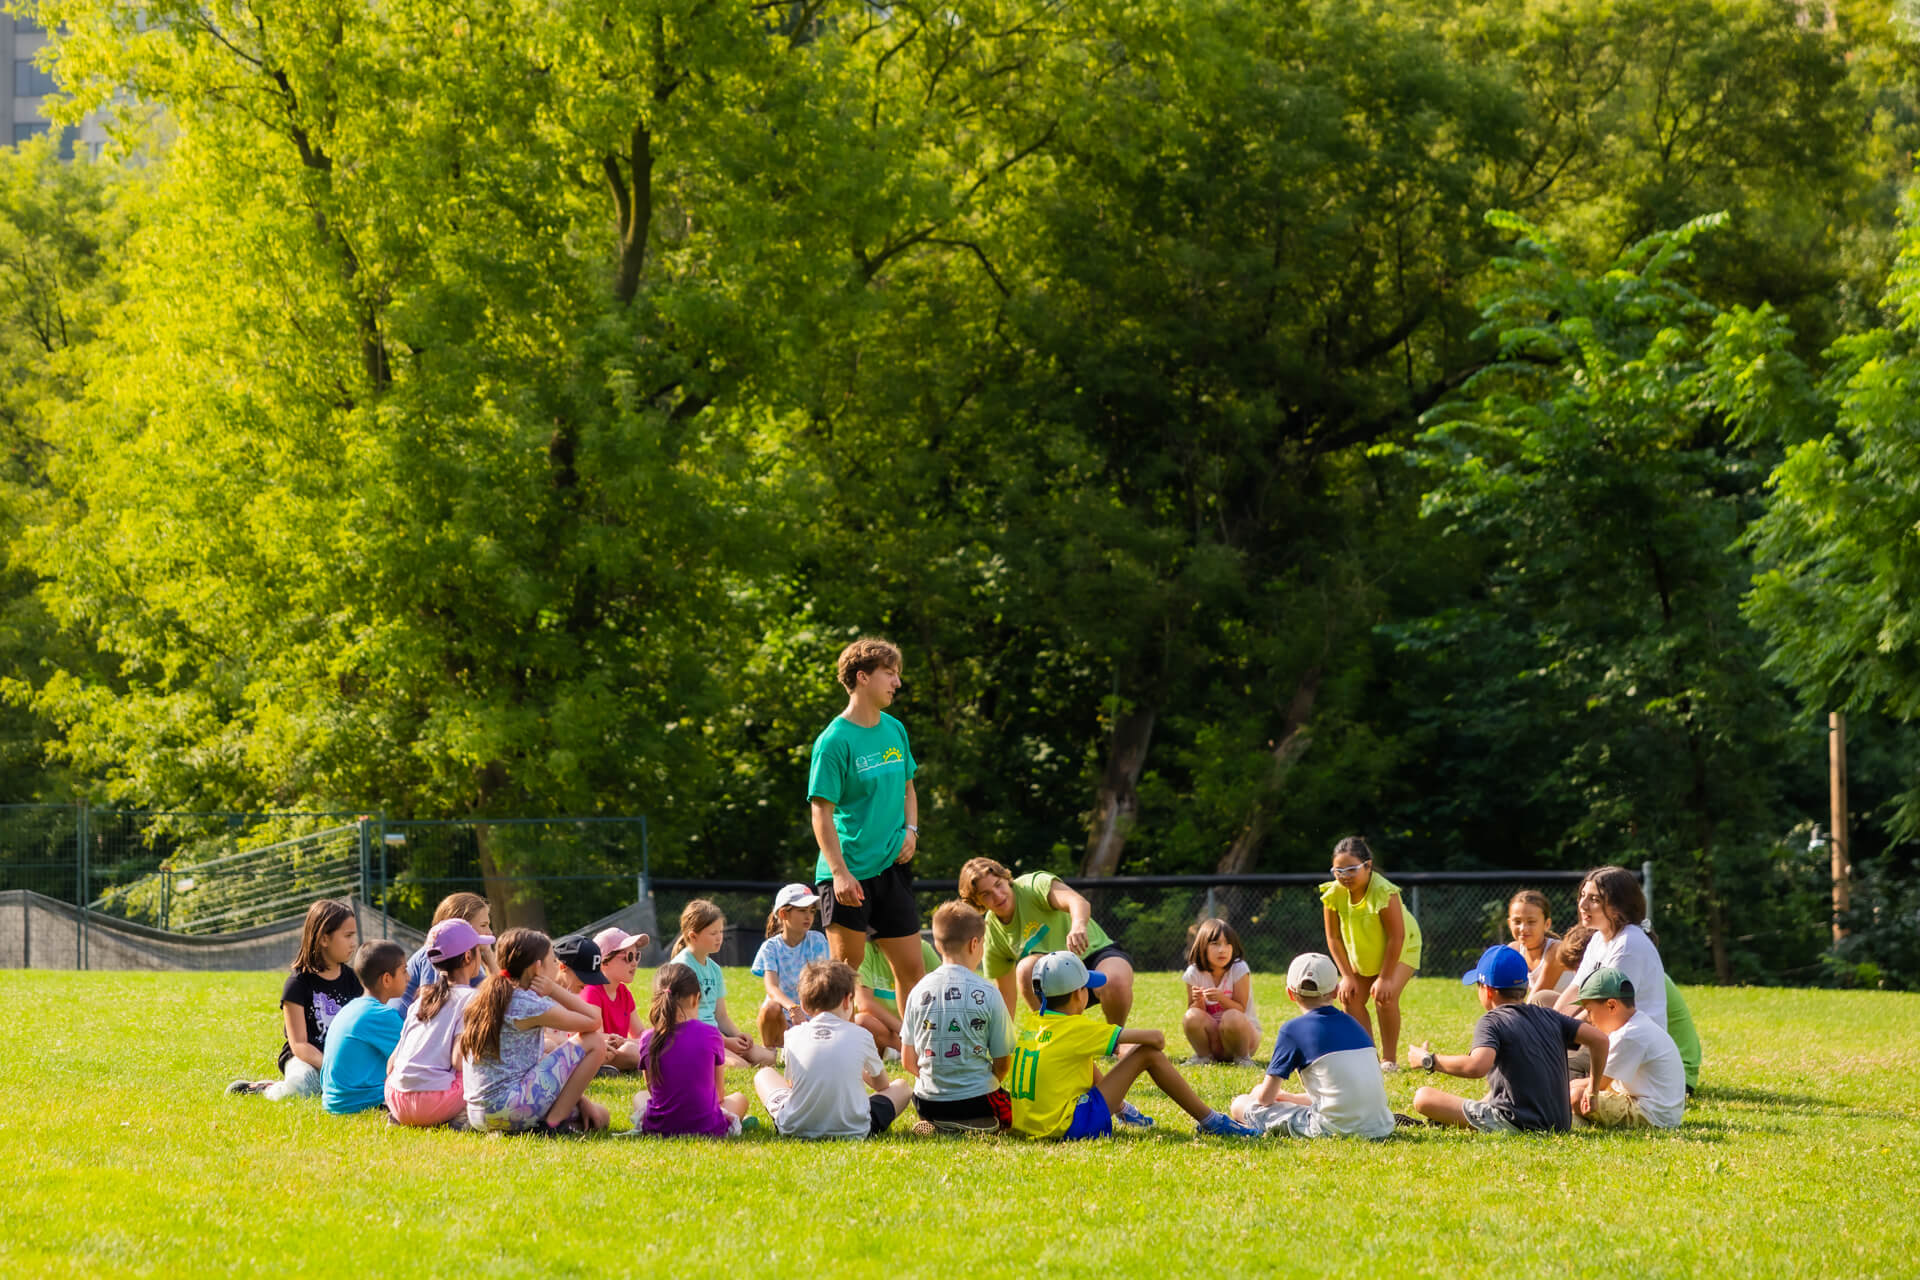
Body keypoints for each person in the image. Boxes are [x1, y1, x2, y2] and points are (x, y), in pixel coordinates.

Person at [1007, 952, 1258, 1140]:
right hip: (1066, 1128)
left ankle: (1123, 1110)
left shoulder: (1034, 1021)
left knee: (1082, 1058)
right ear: (1077, 995)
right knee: (1148, 1054)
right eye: (1088, 989)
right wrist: (1123, 1050)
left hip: (1027, 1124)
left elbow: (1079, 1058)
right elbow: (1156, 1039)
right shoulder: (1078, 1029)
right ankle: (1212, 1121)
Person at [807, 637, 927, 1015]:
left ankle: (914, 1059)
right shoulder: (833, 741)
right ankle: (826, 1052)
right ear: (862, 677)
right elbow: (821, 813)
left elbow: (909, 787)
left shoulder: (895, 729)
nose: (897, 683)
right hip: (848, 875)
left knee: (913, 972)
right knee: (842, 976)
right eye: (889, 674)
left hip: (893, 867)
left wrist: (911, 831)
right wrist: (840, 875)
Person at [1408, 945, 1610, 1133]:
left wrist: (1428, 1060)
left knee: (1423, 1097)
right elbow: (1600, 1040)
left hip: (1515, 1122)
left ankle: (1459, 1120)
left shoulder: (1492, 1021)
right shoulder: (1549, 1015)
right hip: (1559, 1123)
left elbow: (1476, 1066)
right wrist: (1592, 1091)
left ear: (1487, 990)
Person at [458, 928, 610, 1134]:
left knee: (595, 1115)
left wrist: (579, 1099)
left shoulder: (483, 997)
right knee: (594, 1042)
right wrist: (553, 989)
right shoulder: (527, 1003)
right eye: (553, 961)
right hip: (508, 1109)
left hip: (478, 1114)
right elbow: (593, 1021)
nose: (557, 965)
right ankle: (553, 1125)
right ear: (537, 967)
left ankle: (554, 1119)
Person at [1228, 953, 1395, 1139]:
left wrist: (1261, 1094)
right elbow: (1337, 1093)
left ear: (1290, 993)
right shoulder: (1354, 1024)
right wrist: (1289, 1097)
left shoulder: (1292, 1030)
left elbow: (1265, 1098)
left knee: (1241, 1104)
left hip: (1332, 1128)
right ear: (1335, 991)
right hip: (1381, 1126)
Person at [960, 857, 1136, 1028]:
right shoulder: (992, 931)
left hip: (1094, 955)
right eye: (986, 894)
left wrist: (1078, 925)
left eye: (998, 885)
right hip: (1058, 984)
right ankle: (1056, 1037)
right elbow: (1006, 996)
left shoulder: (1033, 885)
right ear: (977, 901)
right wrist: (1001, 1047)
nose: (997, 896)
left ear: (1006, 879)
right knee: (1025, 969)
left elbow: (1077, 901)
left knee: (1116, 981)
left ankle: (1115, 1041)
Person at [753, 960, 914, 1140]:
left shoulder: (793, 1035)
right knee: (901, 1087)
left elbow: (792, 1085)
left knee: (764, 1074)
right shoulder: (861, 1035)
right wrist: (856, 1069)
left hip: (794, 1127)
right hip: (855, 1129)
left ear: (804, 1006)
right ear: (847, 1000)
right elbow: (882, 1086)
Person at [226, 899, 363, 1099]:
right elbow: (299, 1044)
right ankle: (266, 1088)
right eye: (347, 936)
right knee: (301, 1089)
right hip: (305, 1059)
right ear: (324, 938)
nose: (353, 943)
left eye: (354, 936)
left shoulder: (353, 981)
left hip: (340, 1061)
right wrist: (331, 1066)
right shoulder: (298, 984)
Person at [900, 901, 1015, 1134]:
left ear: (938, 946)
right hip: (977, 1100)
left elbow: (907, 1062)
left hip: (926, 1101)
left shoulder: (917, 991)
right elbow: (1003, 1063)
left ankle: (939, 1123)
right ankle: (976, 1123)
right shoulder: (989, 992)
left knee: (937, 1105)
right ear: (975, 944)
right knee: (1013, 1109)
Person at [1320, 836, 1423, 1071]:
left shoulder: (1384, 892)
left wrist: (1385, 977)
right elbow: (1333, 938)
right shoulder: (1333, 894)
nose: (1344, 875)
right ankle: (1368, 1057)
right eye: (1338, 870)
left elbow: (1397, 937)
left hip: (1402, 944)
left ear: (1367, 866)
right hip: (1364, 949)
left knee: (1384, 998)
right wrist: (1346, 976)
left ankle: (1389, 1061)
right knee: (1350, 998)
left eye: (1351, 869)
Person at [1559, 924, 1701, 1092]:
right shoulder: (1624, 990)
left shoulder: (1628, 1027)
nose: (1578, 975)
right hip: (1646, 1070)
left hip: (1672, 1079)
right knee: (1545, 1001)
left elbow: (1600, 1082)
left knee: (1568, 1068)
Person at [386, 918, 491, 1128]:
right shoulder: (471, 999)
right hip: (433, 1103)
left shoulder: (420, 1000)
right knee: (481, 1071)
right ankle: (459, 1119)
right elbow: (459, 1061)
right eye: (479, 949)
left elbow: (391, 1065)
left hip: (395, 1098)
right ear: (468, 956)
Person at [631, 963, 754, 1137]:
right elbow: (719, 1095)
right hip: (707, 1127)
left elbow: (652, 1091)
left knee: (640, 1096)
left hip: (658, 1127)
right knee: (740, 1098)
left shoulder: (647, 1038)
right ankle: (735, 1121)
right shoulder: (711, 1034)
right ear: (696, 998)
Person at [1553, 867, 1668, 1034]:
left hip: (1628, 1043)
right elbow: (1576, 989)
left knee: (1549, 1055)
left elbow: (1604, 1009)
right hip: (1602, 1028)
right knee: (1543, 1000)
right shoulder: (1598, 938)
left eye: (1594, 899)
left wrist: (1559, 1034)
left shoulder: (1629, 944)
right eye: (1583, 895)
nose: (1583, 905)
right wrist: (1549, 1024)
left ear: (1618, 907)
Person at [1569, 967, 1686, 1130]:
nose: (1588, 1019)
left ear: (1611, 1005)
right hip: (1661, 1113)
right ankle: (1576, 1121)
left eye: (1589, 1011)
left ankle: (1573, 1121)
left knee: (1575, 1096)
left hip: (1651, 1116)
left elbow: (1599, 1085)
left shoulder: (1629, 1035)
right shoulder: (1637, 1025)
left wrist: (1570, 1084)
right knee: (1574, 1094)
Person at [671, 899, 774, 1068]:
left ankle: (722, 1052)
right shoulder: (681, 968)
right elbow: (686, 1021)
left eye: (720, 931)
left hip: (716, 1036)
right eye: (713, 933)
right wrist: (725, 1041)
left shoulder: (715, 969)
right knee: (740, 1066)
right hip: (693, 1037)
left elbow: (721, 1016)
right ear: (693, 936)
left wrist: (739, 1036)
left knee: (767, 1058)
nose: (719, 938)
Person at [321, 940, 409, 1115]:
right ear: (386, 979)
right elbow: (415, 1060)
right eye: (404, 971)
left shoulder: (352, 1007)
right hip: (361, 1103)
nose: (409, 977)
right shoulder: (381, 1015)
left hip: (333, 1102)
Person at [752, 884, 830, 1052]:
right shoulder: (770, 947)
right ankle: (771, 1051)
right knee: (771, 1007)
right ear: (783, 914)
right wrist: (793, 1008)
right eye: (802, 910)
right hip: (784, 1016)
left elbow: (822, 983)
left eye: (811, 911)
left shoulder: (817, 940)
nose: (808, 916)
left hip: (813, 1015)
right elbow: (771, 987)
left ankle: (796, 1048)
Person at [1180, 917, 1261, 1065]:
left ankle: (1242, 1058)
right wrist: (1198, 1001)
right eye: (1215, 944)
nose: (1222, 950)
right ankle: (1203, 1056)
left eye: (1228, 944)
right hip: (1213, 1040)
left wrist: (1221, 998)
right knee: (1191, 1016)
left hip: (1243, 1038)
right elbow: (1194, 1015)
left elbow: (1240, 1009)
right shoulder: (1194, 972)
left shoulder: (1239, 968)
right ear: (1203, 946)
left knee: (1232, 1016)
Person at [853, 931, 941, 1061]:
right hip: (884, 1027)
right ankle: (912, 1051)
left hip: (917, 1027)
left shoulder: (922, 948)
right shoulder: (865, 950)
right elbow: (864, 1004)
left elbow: (945, 986)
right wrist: (905, 1032)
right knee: (861, 1021)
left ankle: (897, 1052)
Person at [401, 892, 497, 1009]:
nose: (490, 932)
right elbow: (432, 1008)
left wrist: (489, 955)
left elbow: (499, 997)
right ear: (460, 926)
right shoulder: (436, 955)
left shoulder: (467, 959)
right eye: (483, 925)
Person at [585, 926, 649, 1072]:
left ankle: (605, 1068)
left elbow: (639, 1033)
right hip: (597, 1050)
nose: (635, 963)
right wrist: (629, 1042)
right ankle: (599, 1067)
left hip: (617, 1049)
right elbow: (595, 1037)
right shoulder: (592, 990)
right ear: (604, 962)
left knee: (653, 1042)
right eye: (628, 957)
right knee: (632, 1051)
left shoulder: (624, 993)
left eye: (637, 956)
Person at [1507, 889, 1573, 1001]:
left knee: (1540, 998)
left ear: (1547, 924)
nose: (1523, 928)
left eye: (1531, 922)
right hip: (1546, 1013)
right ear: (1509, 923)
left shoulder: (1555, 950)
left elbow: (1533, 1001)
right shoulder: (1514, 951)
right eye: (1517, 921)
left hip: (1573, 1014)